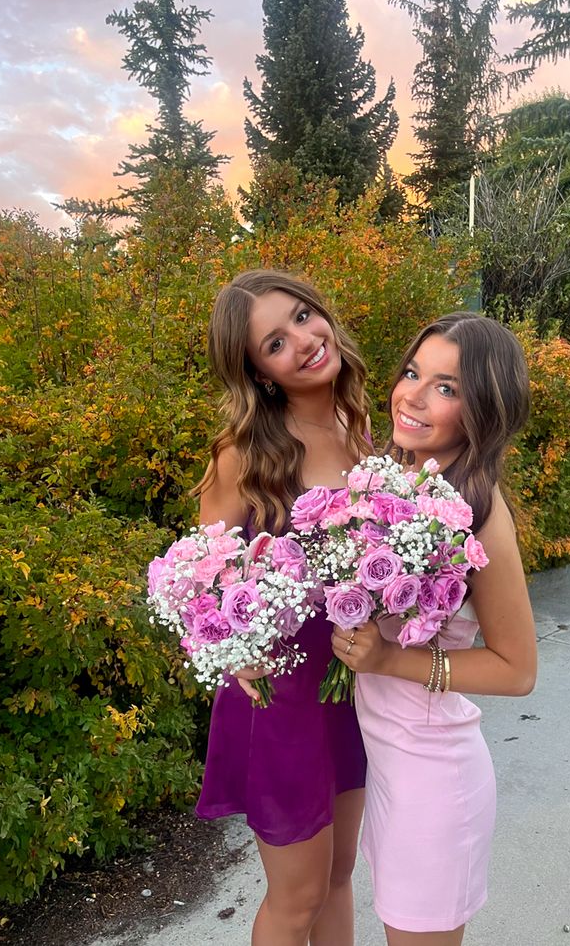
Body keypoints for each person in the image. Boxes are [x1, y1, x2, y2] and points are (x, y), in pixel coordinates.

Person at [332, 312, 538, 945]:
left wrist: (391, 660)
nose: (413, 396)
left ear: (483, 412)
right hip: (388, 765)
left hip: (433, 778)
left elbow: (517, 670)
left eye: (446, 387)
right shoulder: (398, 483)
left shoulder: (477, 512)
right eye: (413, 372)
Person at [193, 269, 372, 946]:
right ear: (259, 373)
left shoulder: (361, 426)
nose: (302, 339)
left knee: (339, 874)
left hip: (352, 685)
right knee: (296, 897)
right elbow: (199, 574)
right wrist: (234, 650)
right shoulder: (243, 454)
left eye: (303, 316)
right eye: (275, 341)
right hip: (282, 698)